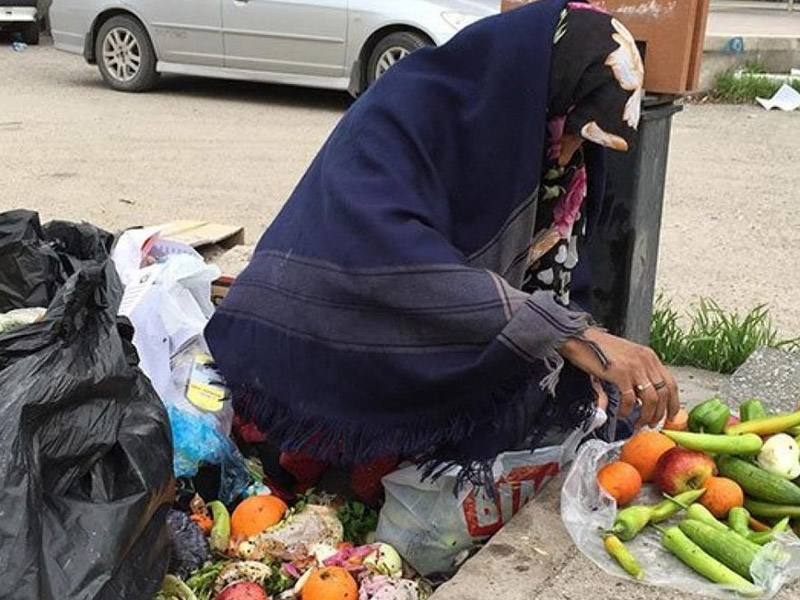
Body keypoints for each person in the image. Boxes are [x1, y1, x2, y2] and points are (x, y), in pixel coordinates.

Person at [206, 0, 680, 506]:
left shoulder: (552, 151)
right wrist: (569, 334)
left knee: (530, 368)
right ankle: (334, 464)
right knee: (321, 470)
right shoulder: (411, 106)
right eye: (569, 130)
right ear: (542, 92)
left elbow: (549, 276)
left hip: (413, 306)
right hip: (328, 311)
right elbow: (384, 261)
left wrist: (583, 348)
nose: (568, 153)